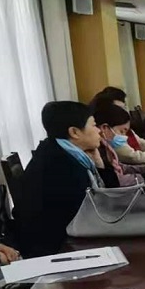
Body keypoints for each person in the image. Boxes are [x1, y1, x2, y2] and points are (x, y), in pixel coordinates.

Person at [16, 101, 107, 258]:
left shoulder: (59, 150)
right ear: (74, 132)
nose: (99, 130)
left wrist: (98, 163)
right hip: (57, 248)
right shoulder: (60, 164)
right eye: (94, 125)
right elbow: (94, 209)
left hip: (66, 237)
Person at [92, 103, 145, 186]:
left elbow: (120, 167)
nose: (124, 136)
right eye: (121, 131)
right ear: (104, 128)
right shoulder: (96, 149)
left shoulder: (106, 145)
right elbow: (113, 180)